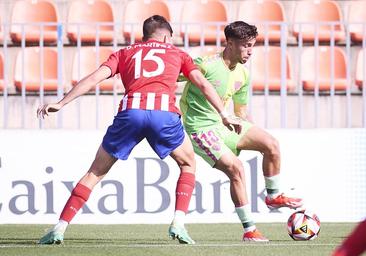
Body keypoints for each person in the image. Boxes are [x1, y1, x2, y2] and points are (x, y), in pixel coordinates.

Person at [37, 15, 240, 245]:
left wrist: (62, 103)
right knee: (187, 164)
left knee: (95, 172)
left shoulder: (124, 53)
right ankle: (178, 223)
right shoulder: (177, 53)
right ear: (166, 36)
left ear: (144, 35)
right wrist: (224, 114)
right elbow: (202, 83)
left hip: (130, 113)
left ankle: (60, 228)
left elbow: (94, 78)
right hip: (164, 115)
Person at [179, 21, 303, 242]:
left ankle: (273, 196)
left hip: (226, 125)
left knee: (271, 144)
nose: (250, 51)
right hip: (201, 128)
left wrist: (254, 133)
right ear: (230, 43)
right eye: (246, 46)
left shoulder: (243, 75)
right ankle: (249, 230)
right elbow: (172, 76)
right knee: (236, 169)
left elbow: (241, 111)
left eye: (252, 45)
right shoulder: (205, 65)